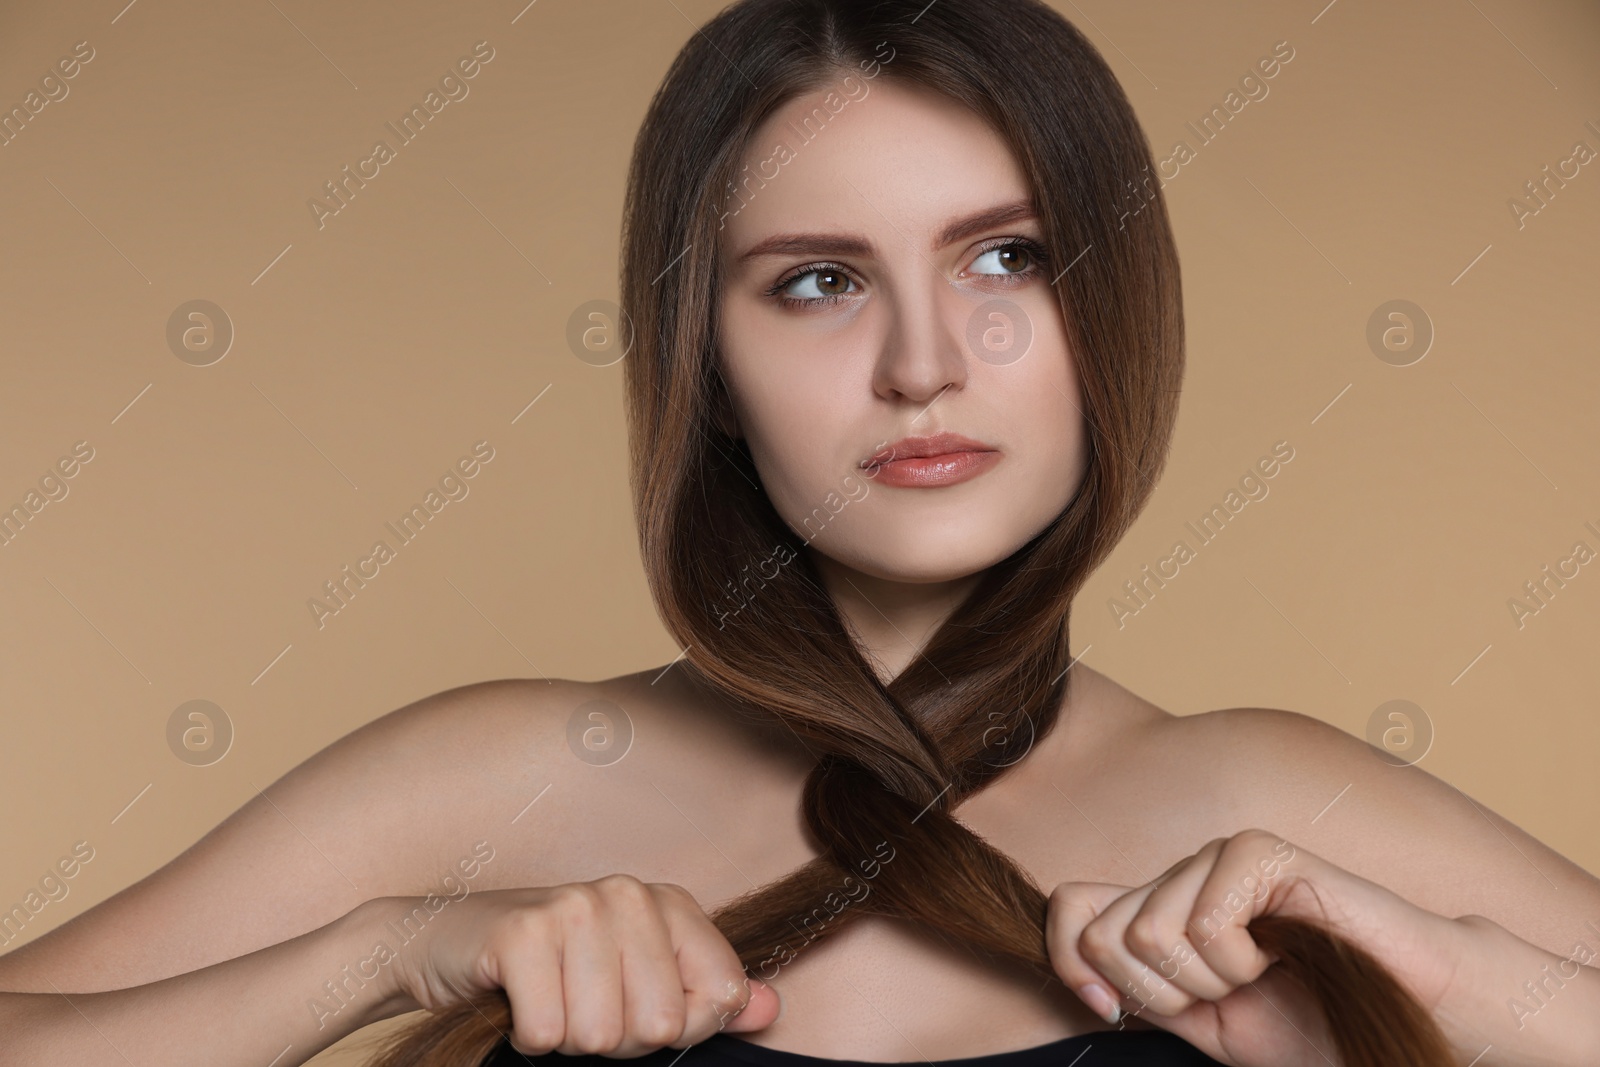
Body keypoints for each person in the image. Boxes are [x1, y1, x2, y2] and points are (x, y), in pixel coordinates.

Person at [2, 2, 1598, 1066]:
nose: (923, 363)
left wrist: (1431, 983)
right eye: (820, 281)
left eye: (1008, 259)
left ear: (1113, 303)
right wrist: (378, 955)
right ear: (706, 361)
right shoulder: (506, 779)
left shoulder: (1271, 806)